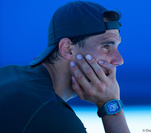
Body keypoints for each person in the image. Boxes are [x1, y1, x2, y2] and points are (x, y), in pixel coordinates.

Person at [0, 1, 130, 133]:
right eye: (106, 46)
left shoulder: (7, 74)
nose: (119, 60)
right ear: (68, 49)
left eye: (116, 47)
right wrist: (110, 104)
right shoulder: (52, 117)